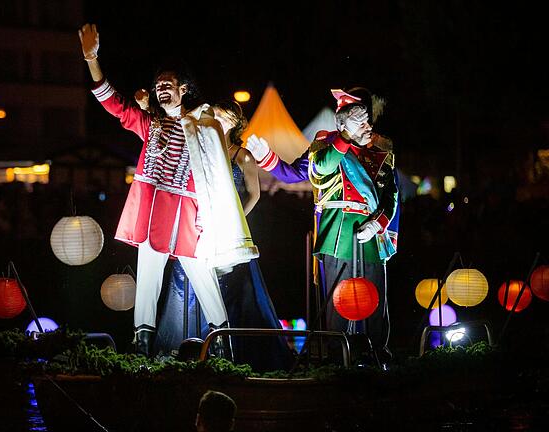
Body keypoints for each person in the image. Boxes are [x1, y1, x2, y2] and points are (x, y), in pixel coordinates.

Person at [77, 24, 258, 357]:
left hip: (189, 217)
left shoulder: (202, 124)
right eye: (157, 84)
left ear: (183, 88)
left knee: (204, 280)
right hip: (152, 216)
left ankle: (223, 349)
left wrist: (216, 220)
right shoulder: (152, 124)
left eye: (167, 84)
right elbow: (115, 104)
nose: (161, 88)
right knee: (147, 282)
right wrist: (92, 59)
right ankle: (142, 349)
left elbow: (216, 175)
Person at [246, 88, 398, 360]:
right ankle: (337, 354)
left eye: (367, 118)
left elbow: (391, 194)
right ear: (343, 123)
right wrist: (266, 157)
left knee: (375, 296)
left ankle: (377, 352)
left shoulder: (382, 147)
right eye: (358, 119)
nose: (367, 125)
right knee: (338, 298)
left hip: (373, 231)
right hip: (336, 230)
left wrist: (378, 224)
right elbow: (304, 172)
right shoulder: (325, 144)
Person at [150, 100, 290, 371]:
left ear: (236, 123)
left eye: (226, 116)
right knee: (188, 291)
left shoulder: (242, 155)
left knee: (237, 294)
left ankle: (236, 355)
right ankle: (187, 352)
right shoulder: (200, 149)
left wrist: (235, 222)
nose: (220, 118)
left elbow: (254, 194)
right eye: (217, 113)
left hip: (230, 234)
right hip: (200, 232)